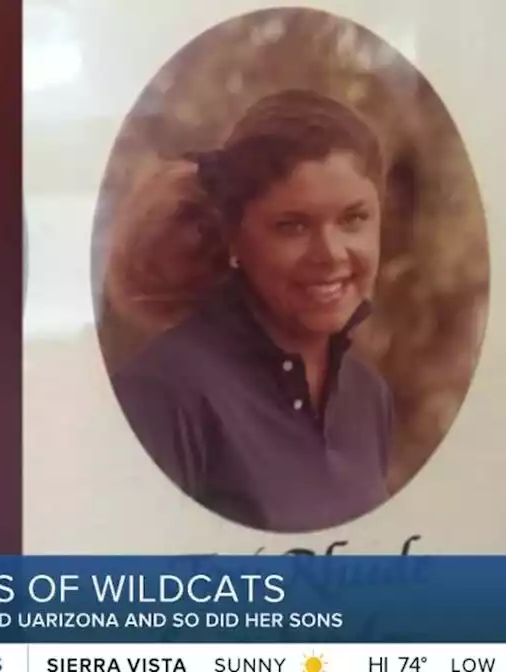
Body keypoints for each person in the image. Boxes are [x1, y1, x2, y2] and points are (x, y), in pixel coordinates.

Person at [107, 89, 393, 533]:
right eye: (292, 226)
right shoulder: (163, 397)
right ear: (235, 238)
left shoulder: (368, 397)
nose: (331, 253)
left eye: (354, 219)